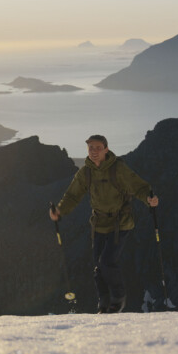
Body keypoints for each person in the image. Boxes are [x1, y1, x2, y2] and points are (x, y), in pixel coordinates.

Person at [50, 134, 159, 313]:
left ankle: (118, 299)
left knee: (107, 262)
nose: (94, 151)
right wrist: (60, 211)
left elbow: (139, 186)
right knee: (97, 268)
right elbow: (73, 195)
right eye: (91, 148)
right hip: (99, 224)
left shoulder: (118, 168)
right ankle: (103, 302)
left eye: (98, 148)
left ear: (106, 149)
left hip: (120, 223)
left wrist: (150, 199)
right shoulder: (85, 172)